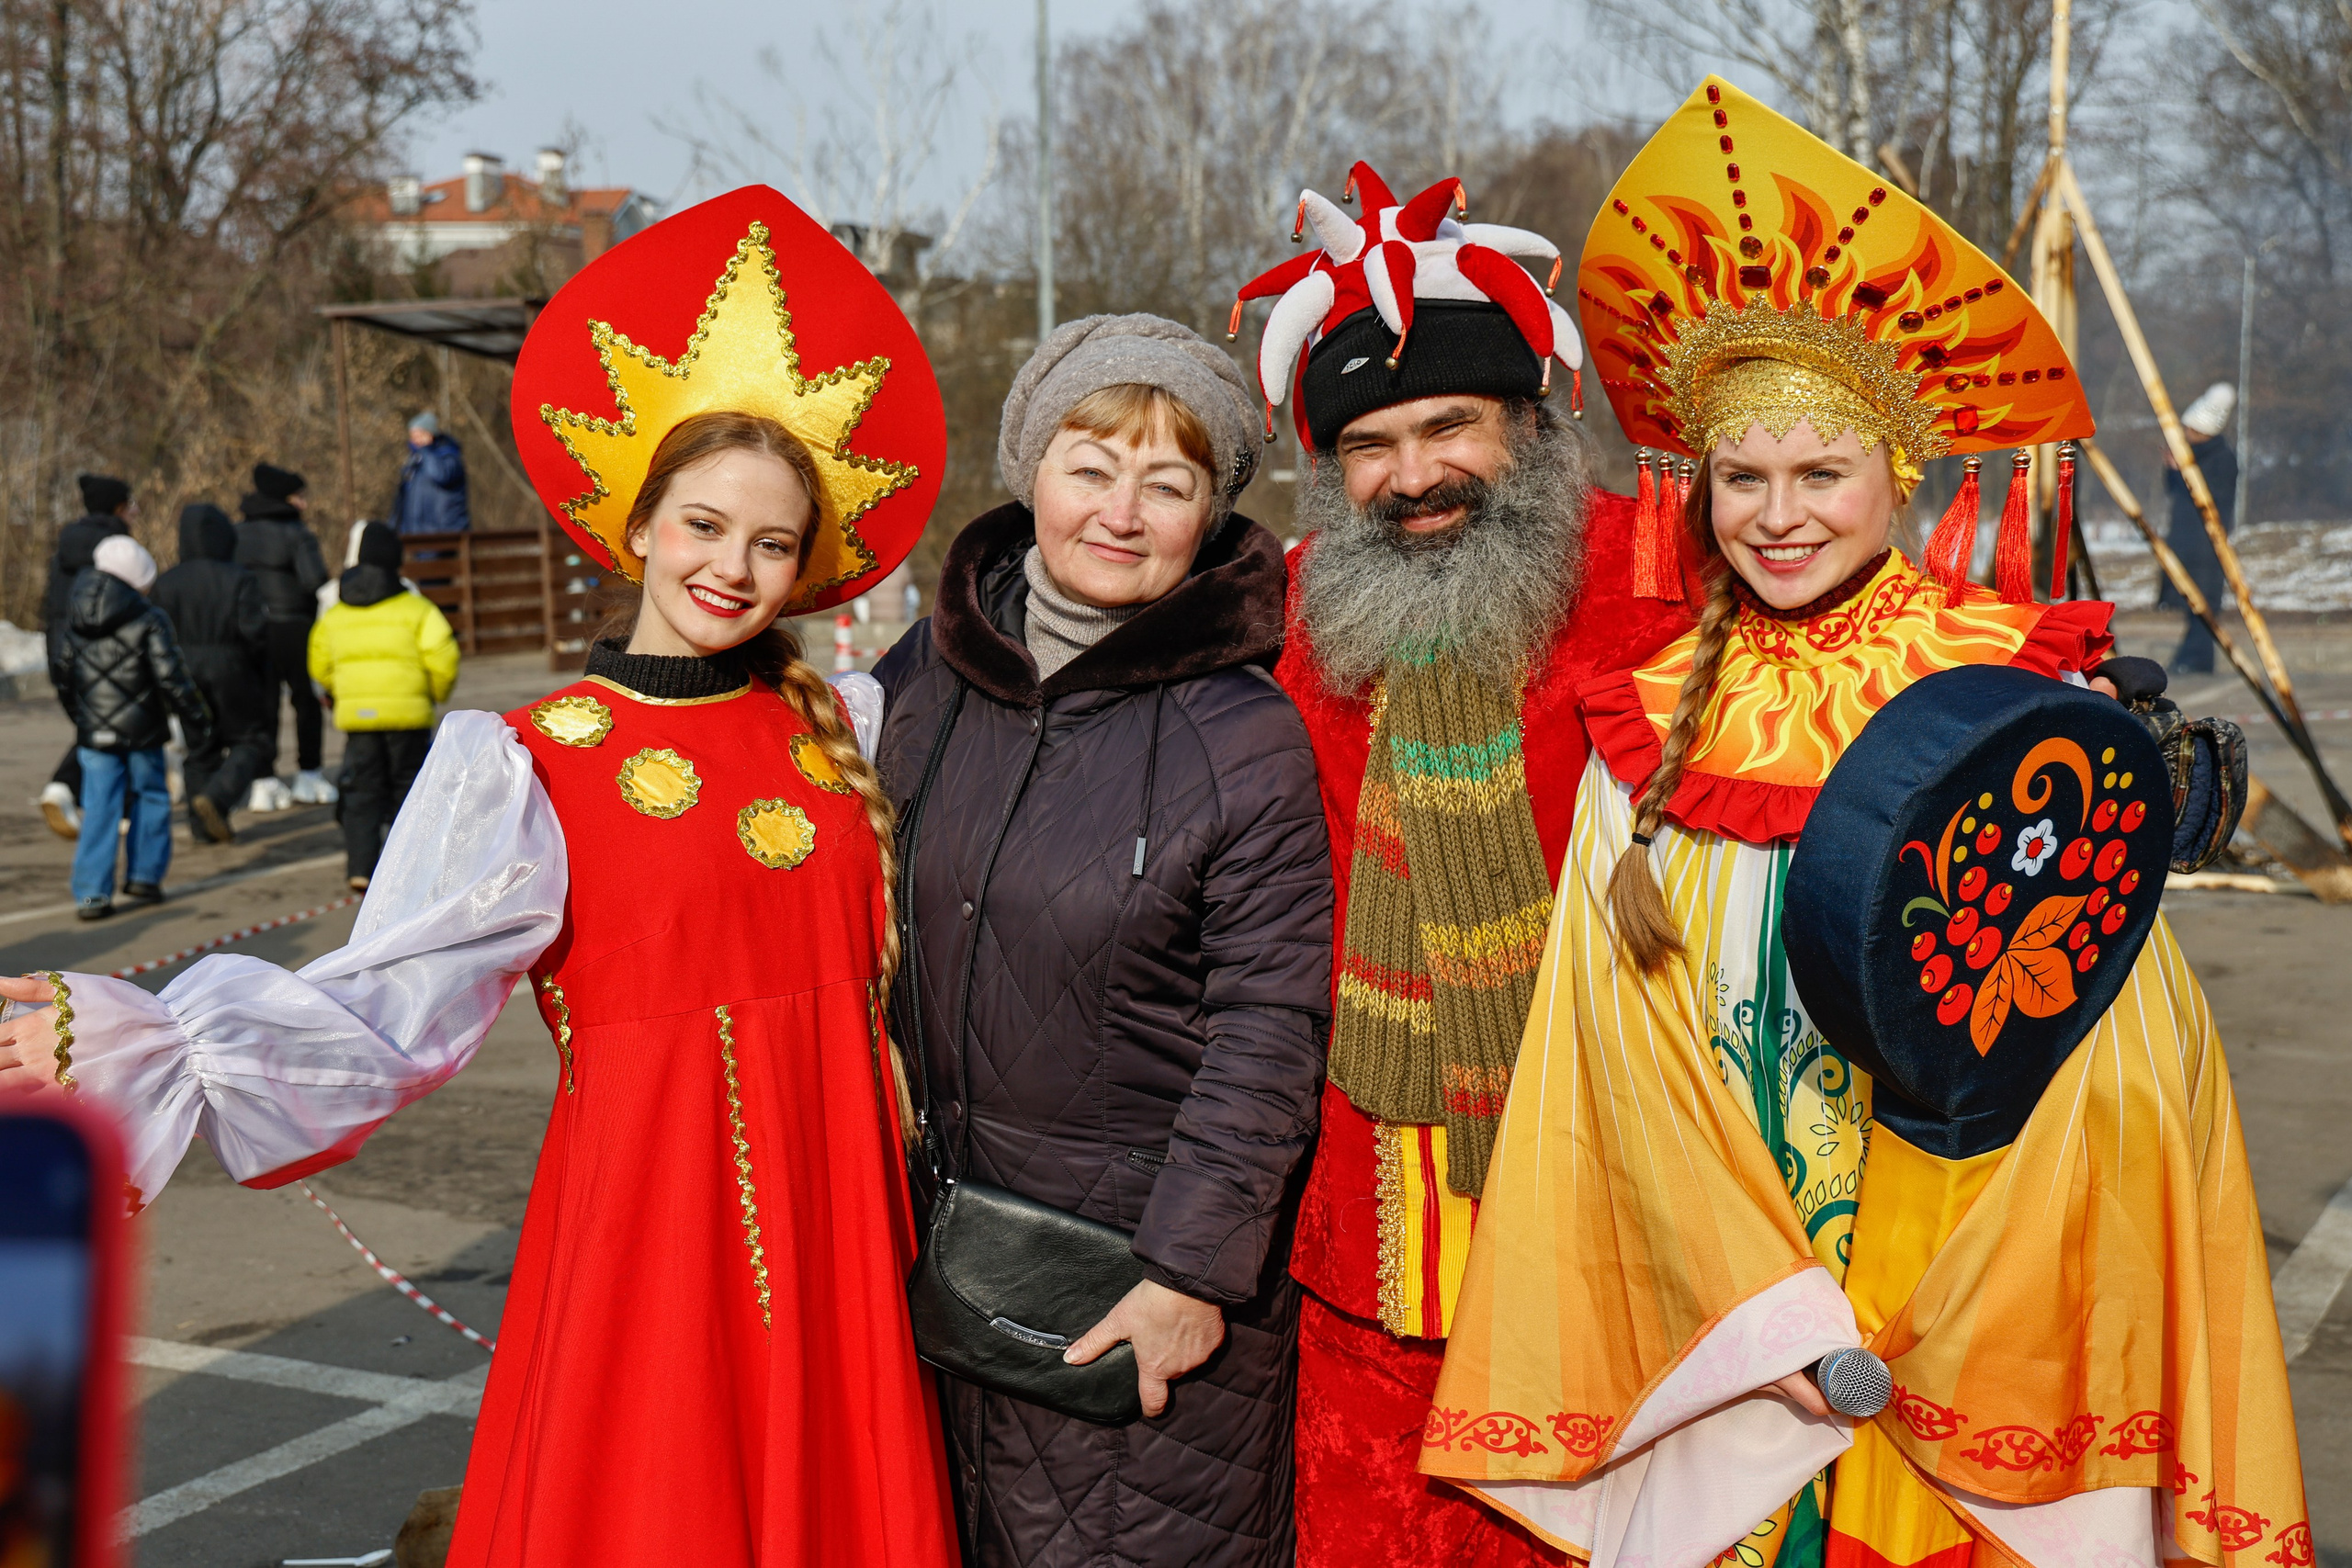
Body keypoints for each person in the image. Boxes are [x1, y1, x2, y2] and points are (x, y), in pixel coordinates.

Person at [0, 186, 956, 1566]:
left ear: (809, 564)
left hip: (850, 1238)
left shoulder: (848, 726)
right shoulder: (528, 762)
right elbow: (388, 1005)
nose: (730, 567)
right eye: (700, 524)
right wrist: (143, 1038)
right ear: (635, 523)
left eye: (770, 542)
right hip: (646, 1245)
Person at [1423, 78, 2306, 1567]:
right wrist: (1763, 1312)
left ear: (1897, 473)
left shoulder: (2012, 690)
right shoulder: (1649, 720)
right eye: (1743, 477)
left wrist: (1943, 1297)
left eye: (1820, 473)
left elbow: (2115, 1049)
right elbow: (1606, 1052)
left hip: (1968, 1293)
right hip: (1734, 1340)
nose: (1779, 515)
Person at [1224, 161, 1688, 1562]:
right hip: (1359, 1235)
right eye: (1370, 442)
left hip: (1614, 1220)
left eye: (1452, 425)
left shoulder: (1666, 582)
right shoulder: (1280, 618)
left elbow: (1853, 673)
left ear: (1529, 426)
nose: (1414, 474)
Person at [873, 314, 1333, 1565]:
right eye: (1091, 466)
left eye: (1167, 481)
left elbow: (1270, 1028)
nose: (1120, 511)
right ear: (1032, 474)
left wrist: (1189, 1275)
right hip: (938, 1266)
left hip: (1128, 1288)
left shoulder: (1241, 733)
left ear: (1212, 513)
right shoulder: (927, 677)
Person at [46, 535, 213, 919]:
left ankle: (91, 894)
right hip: (144, 732)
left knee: (99, 807)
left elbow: (63, 675)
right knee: (151, 797)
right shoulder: (149, 618)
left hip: (95, 737)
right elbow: (172, 677)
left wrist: (83, 719)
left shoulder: (74, 615)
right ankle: (144, 877)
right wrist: (197, 719)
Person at [311, 522, 459, 890]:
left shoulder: (337, 612)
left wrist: (339, 692)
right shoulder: (417, 608)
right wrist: (434, 693)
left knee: (362, 790)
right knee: (407, 790)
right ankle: (404, 875)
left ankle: (360, 868)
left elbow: (319, 660)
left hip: (358, 719)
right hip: (407, 717)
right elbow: (443, 656)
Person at [152, 502, 272, 844]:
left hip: (183, 668)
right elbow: (255, 632)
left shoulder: (167, 581)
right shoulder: (240, 578)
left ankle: (201, 826)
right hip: (231, 666)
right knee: (251, 740)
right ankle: (218, 798)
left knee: (200, 748)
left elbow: (158, 633)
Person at [36, 474, 134, 840]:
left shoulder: (64, 546)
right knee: (114, 725)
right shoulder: (116, 546)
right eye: (131, 504)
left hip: (58, 647)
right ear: (119, 508)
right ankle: (70, 789)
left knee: (96, 726)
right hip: (96, 649)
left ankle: (74, 793)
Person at [235, 462, 334, 806]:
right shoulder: (297, 534)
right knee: (305, 701)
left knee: (263, 703)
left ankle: (264, 780)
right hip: (295, 625)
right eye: (299, 497)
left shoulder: (237, 532)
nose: (304, 504)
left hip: (253, 628)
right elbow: (314, 581)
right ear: (285, 499)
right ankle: (309, 774)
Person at [2159, 381, 2241, 675]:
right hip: (2186, 539)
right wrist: (2173, 471)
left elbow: (2206, 498)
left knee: (2203, 604)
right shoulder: (2193, 456)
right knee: (2190, 602)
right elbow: (2178, 494)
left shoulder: (2221, 459)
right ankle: (2192, 657)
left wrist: (2181, 473)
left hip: (2206, 543)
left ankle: (2195, 659)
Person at [394, 412, 471, 535]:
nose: (414, 441)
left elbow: (441, 475)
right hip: (417, 535)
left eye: (418, 435)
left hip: (445, 534)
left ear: (429, 434)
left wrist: (425, 450)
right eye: (412, 436)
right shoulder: (415, 462)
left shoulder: (449, 456)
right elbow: (401, 499)